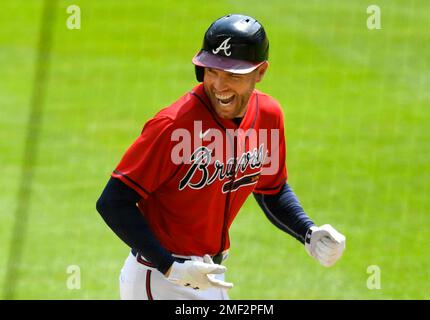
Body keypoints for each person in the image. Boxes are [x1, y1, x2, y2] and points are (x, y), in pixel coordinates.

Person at [96, 14, 346, 300]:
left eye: (233, 74)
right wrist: (169, 267)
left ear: (260, 72)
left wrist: (308, 232)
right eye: (212, 71)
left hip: (210, 276)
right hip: (161, 278)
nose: (219, 85)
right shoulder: (174, 125)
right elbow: (113, 201)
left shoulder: (268, 116)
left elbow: (271, 190)